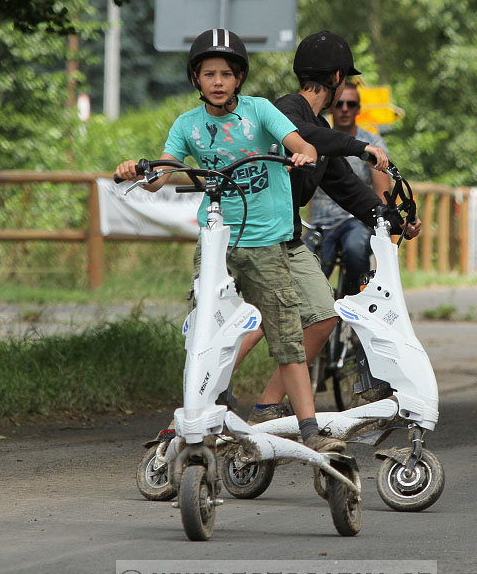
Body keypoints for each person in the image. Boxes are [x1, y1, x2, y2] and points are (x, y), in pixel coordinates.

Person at [113, 29, 343, 453]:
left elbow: (297, 141)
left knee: (287, 335)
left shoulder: (260, 113)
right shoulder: (188, 126)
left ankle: (309, 427)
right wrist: (137, 171)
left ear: (239, 78)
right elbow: (162, 173)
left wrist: (302, 152)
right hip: (218, 243)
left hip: (268, 243)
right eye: (208, 74)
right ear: (196, 80)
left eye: (225, 74)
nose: (217, 82)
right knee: (208, 334)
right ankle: (194, 414)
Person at [238, 31, 422, 421]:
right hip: (256, 239)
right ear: (338, 77)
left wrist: (391, 218)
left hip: (286, 240)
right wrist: (359, 146)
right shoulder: (286, 111)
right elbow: (307, 136)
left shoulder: (317, 127)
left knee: (322, 318)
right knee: (257, 322)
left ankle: (267, 406)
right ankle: (201, 397)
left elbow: (349, 189)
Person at [308, 81, 392, 295]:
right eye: (340, 103)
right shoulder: (316, 137)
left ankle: (357, 302)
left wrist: (385, 236)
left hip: (356, 220)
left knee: (355, 250)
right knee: (310, 268)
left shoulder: (373, 144)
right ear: (331, 106)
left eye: (351, 104)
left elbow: (383, 194)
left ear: (358, 109)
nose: (345, 109)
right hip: (320, 221)